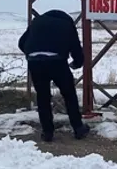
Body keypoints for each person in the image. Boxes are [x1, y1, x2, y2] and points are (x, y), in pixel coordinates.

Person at [17, 10, 90, 142]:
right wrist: (77, 63)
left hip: (35, 61)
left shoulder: (37, 22)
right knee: (69, 94)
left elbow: (21, 42)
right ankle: (78, 128)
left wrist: (32, 53)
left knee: (42, 96)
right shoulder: (67, 24)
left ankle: (47, 132)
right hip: (57, 61)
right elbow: (75, 47)